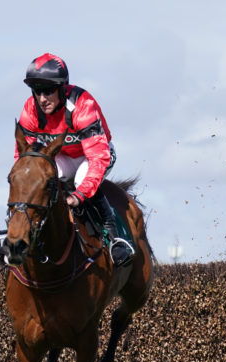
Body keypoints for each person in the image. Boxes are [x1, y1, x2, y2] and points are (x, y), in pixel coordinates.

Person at [16, 53, 134, 266]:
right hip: (64, 156)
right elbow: (24, 159)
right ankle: (18, 236)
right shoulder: (30, 110)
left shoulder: (82, 105)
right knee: (39, 178)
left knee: (81, 182)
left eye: (48, 90)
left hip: (95, 155)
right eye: (37, 91)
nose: (42, 98)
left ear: (62, 88)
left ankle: (115, 238)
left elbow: (97, 158)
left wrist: (79, 195)